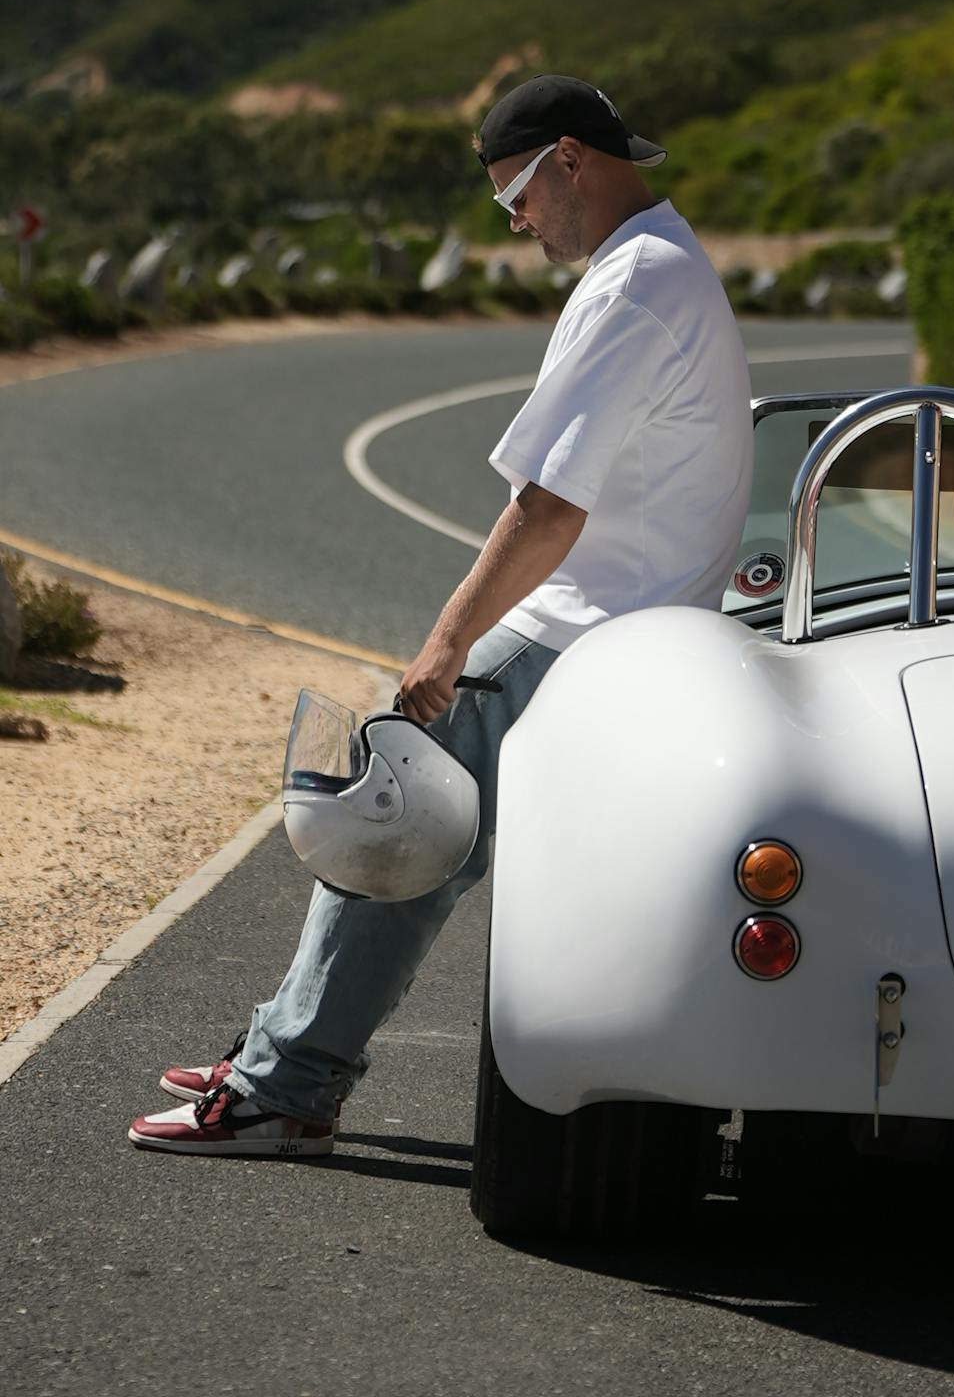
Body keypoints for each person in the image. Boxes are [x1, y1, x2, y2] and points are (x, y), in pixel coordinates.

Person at [129, 74, 754, 1156]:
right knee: (399, 824)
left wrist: (447, 641)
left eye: (513, 192)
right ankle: (281, 1045)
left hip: (580, 628)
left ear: (570, 160)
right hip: (623, 623)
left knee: (386, 825)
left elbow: (549, 506)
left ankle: (286, 1088)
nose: (511, 220)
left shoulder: (631, 288)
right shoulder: (660, 259)